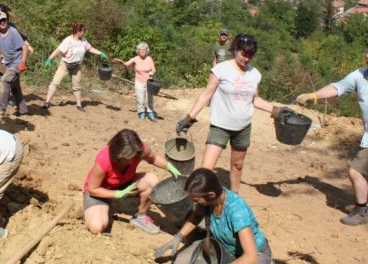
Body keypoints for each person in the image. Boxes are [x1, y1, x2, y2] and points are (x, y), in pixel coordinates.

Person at [296, 38, 368, 225]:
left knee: (355, 171)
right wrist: (314, 95)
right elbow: (337, 87)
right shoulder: (360, 75)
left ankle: (361, 211)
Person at [176, 34, 291, 193]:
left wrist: (277, 110)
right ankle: (197, 203)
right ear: (235, 49)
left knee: (237, 165)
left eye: (250, 55)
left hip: (243, 128)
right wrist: (189, 118)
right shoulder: (221, 69)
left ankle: (235, 196)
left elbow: (255, 99)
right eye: (243, 54)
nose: (246, 59)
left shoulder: (254, 74)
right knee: (206, 169)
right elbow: (206, 95)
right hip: (220, 125)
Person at [154, 168, 273, 264]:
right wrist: (179, 237)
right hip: (226, 249)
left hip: (254, 256)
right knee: (181, 261)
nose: (194, 202)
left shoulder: (236, 211)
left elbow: (250, 256)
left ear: (211, 194)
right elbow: (196, 216)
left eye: (196, 199)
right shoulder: (209, 201)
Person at [83, 129, 185, 234]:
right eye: (127, 158)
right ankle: (107, 207)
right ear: (117, 153)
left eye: (134, 156)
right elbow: (92, 189)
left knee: (151, 180)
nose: (131, 161)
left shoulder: (139, 150)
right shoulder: (104, 159)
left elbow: (153, 158)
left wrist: (170, 167)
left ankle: (140, 216)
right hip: (100, 192)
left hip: (125, 184)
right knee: (97, 227)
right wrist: (118, 194)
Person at [43, 22, 108, 112]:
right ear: (78, 31)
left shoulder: (83, 41)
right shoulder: (68, 40)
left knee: (77, 86)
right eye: (83, 31)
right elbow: (58, 50)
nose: (84, 32)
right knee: (55, 82)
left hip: (76, 67)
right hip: (65, 65)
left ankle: (79, 105)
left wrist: (100, 53)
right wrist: (49, 59)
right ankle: (47, 102)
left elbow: (90, 48)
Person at [0, 11, 29, 117]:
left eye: (4, 20)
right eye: (0, 21)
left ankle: (1, 108)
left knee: (4, 81)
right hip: (8, 65)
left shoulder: (13, 32)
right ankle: (23, 110)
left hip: (16, 62)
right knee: (15, 88)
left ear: (7, 20)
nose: (3, 22)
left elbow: (24, 47)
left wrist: (23, 62)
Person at [112, 42, 158, 122]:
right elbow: (126, 64)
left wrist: (152, 72)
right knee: (140, 99)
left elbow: (153, 69)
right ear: (138, 50)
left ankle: (151, 113)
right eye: (141, 49)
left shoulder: (149, 58)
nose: (143, 51)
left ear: (147, 50)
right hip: (139, 82)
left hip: (149, 82)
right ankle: (141, 113)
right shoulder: (135, 59)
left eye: (144, 49)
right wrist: (119, 61)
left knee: (150, 98)